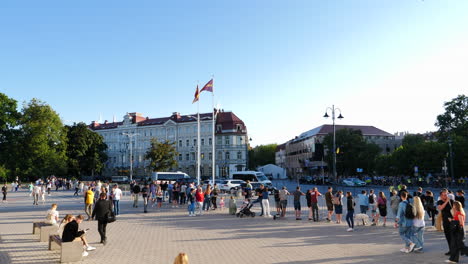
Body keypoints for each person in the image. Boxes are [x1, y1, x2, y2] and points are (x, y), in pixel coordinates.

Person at [438, 189, 455, 256]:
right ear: (441, 196)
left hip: (452, 221)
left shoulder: (452, 201)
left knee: (453, 236)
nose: (446, 196)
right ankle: (451, 250)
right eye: (444, 195)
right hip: (445, 222)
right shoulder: (439, 202)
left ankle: (455, 250)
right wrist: (446, 202)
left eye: (447, 194)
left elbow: (455, 210)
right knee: (448, 237)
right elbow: (440, 208)